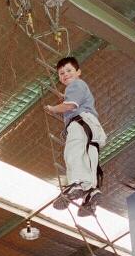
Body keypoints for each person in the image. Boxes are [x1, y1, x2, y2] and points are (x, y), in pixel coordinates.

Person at [45, 56, 106, 216]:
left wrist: (53, 108)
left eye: (69, 70)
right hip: (92, 128)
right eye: (61, 73)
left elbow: (71, 105)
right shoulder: (80, 87)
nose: (65, 74)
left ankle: (77, 183)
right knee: (89, 158)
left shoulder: (75, 85)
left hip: (81, 123)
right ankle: (91, 191)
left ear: (78, 72)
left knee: (73, 152)